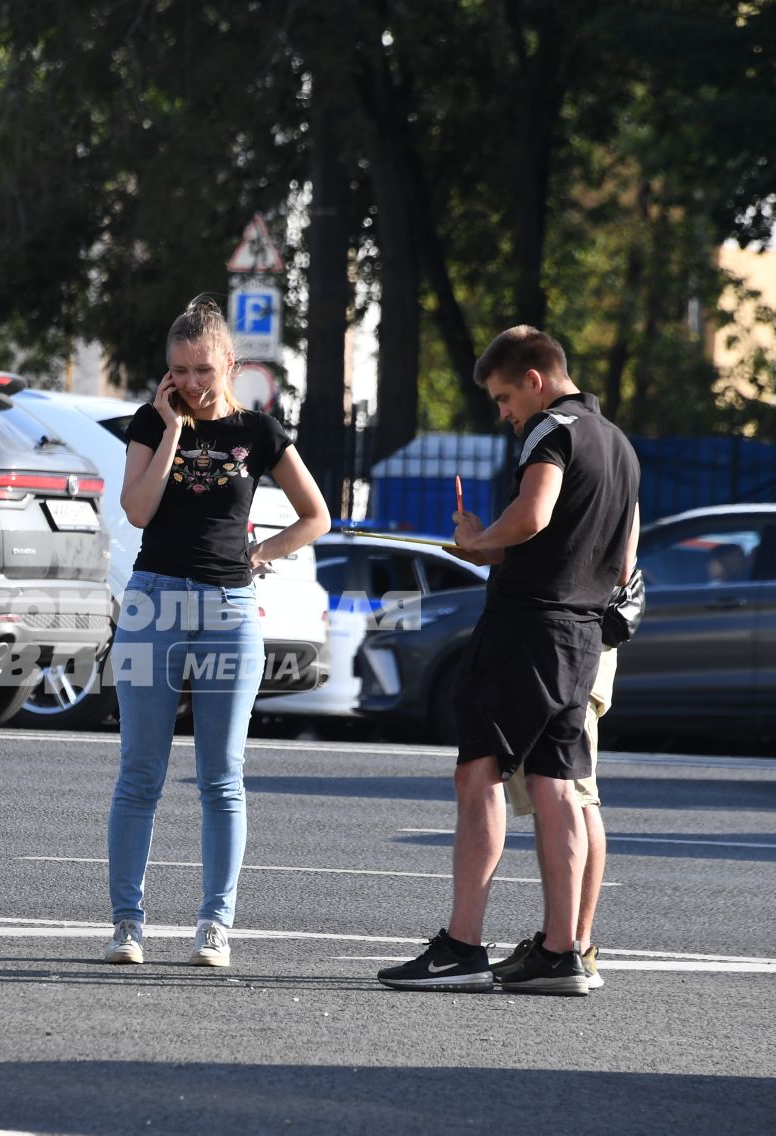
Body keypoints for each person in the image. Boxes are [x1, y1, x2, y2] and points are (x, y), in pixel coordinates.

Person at [379, 326, 639, 996]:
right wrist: (501, 544)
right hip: (583, 638)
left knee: (479, 774)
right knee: (557, 788)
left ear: (534, 377)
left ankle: (462, 944)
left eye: (503, 398)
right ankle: (562, 951)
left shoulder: (552, 429)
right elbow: (625, 561)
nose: (503, 413)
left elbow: (534, 513)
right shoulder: (619, 446)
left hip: (524, 627)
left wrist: (476, 543)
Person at [104, 296, 329, 968]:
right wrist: (170, 428)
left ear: (229, 361)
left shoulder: (259, 432)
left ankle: (214, 925)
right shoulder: (151, 421)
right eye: (180, 370)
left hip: (230, 610)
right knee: (139, 773)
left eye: (203, 368)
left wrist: (261, 556)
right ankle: (126, 925)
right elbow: (139, 511)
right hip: (153, 604)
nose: (193, 382)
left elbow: (316, 515)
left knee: (221, 778)